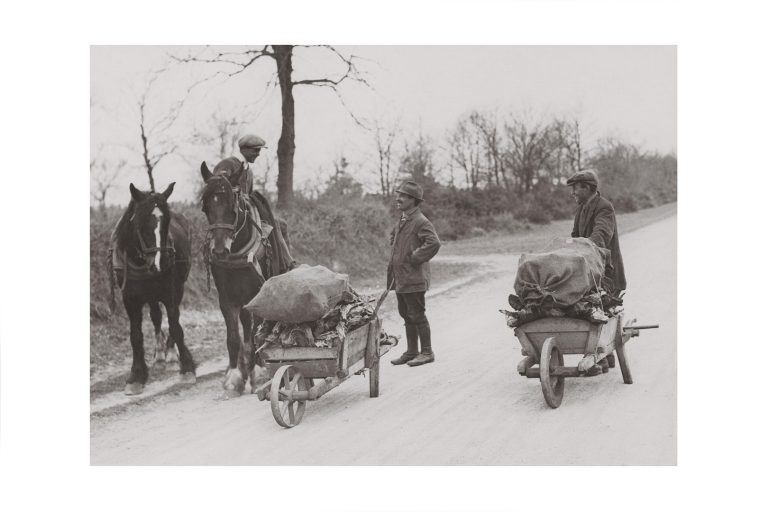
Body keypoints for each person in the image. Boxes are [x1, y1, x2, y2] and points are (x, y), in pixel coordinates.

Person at [387, 181, 441, 367]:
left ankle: (427, 352)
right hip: (401, 277)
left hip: (414, 277)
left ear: (413, 200)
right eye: (398, 194)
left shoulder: (421, 221)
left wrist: (415, 257)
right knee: (406, 314)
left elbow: (433, 243)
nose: (398, 198)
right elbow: (395, 238)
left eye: (402, 196)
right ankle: (411, 351)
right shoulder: (403, 219)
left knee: (417, 314)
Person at [567, 170, 626, 295]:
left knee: (602, 313)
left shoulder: (604, 207)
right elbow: (575, 236)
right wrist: (565, 247)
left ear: (587, 188)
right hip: (589, 274)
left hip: (607, 276)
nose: (572, 193)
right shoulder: (581, 208)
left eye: (575, 189)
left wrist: (584, 247)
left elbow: (600, 236)